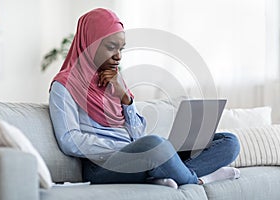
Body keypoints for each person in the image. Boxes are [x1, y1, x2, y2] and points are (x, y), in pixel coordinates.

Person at [49, 8, 240, 189]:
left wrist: (126, 99)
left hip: (139, 156)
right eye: (111, 47)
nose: (118, 56)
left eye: (121, 49)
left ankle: (163, 173)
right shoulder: (64, 86)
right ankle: (196, 180)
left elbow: (137, 134)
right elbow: (69, 140)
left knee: (229, 142)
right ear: (89, 44)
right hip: (101, 167)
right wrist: (123, 147)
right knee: (155, 145)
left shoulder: (114, 80)